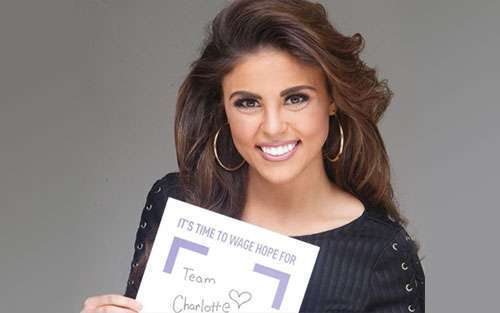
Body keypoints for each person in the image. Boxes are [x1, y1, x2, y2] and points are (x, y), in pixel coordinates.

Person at [80, 0, 425, 312]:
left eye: (296, 98)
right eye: (248, 103)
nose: (273, 127)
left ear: (332, 100)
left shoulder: (382, 255)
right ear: (224, 110)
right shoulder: (176, 203)